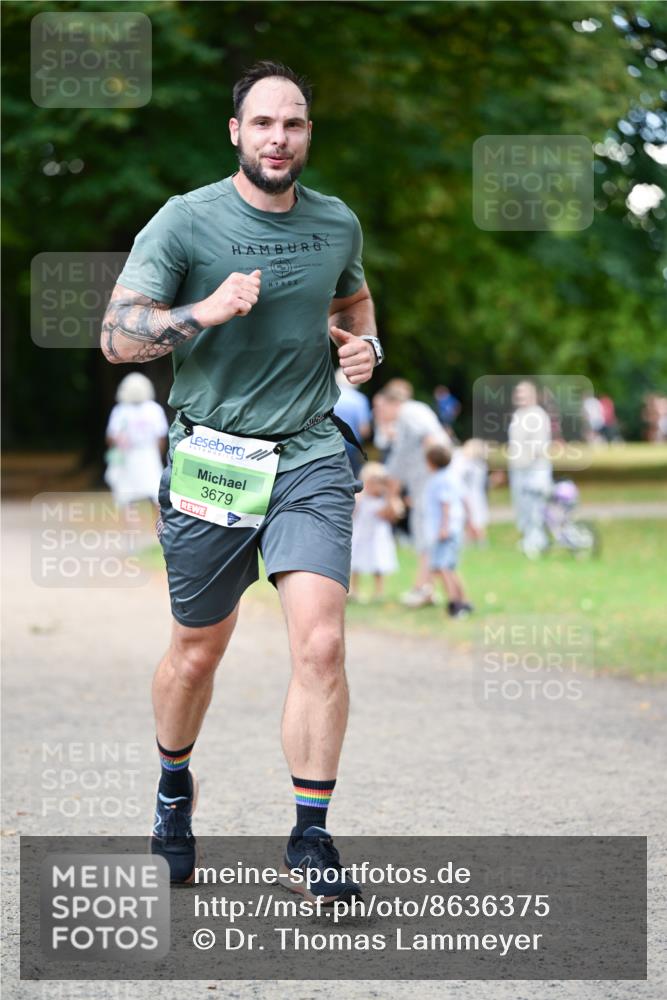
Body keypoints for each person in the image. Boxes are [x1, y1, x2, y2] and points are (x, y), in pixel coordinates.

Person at [100, 61, 384, 898]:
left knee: (322, 642)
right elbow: (117, 338)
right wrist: (204, 312)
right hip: (212, 462)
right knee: (196, 654)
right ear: (236, 132)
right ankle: (172, 791)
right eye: (263, 123)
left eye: (293, 124)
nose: (278, 138)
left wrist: (367, 351)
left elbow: (354, 307)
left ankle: (309, 838)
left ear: (307, 133)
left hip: (305, 456)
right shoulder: (185, 222)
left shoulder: (336, 224)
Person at [381, 380, 451, 607]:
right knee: (425, 535)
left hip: (428, 485)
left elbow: (429, 440)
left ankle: (423, 588)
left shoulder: (408, 414)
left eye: (381, 407)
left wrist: (433, 477)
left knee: (426, 535)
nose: (380, 413)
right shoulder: (414, 412)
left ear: (392, 403)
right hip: (425, 484)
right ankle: (426, 587)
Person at [104, 372, 168, 513]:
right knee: (155, 493)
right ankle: (159, 529)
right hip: (149, 455)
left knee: (127, 497)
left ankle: (130, 531)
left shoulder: (120, 410)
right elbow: (162, 437)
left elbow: (111, 437)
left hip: (128, 456)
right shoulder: (154, 409)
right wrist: (158, 455)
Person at [423, 444, 472, 618]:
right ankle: (465, 600)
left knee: (443, 568)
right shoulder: (452, 477)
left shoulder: (439, 480)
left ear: (431, 462)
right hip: (455, 528)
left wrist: (443, 527)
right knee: (450, 567)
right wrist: (470, 522)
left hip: (445, 531)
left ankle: (455, 604)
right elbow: (465, 499)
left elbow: (446, 505)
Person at [507, 381, 553, 558]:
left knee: (535, 507)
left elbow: (538, 447)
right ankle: (528, 538)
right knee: (522, 507)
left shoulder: (538, 415)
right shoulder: (518, 415)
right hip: (518, 470)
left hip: (534, 470)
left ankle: (536, 542)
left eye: (524, 394)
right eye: (518, 394)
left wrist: (526, 461)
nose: (521, 397)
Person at [350, 462, 401, 601]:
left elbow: (395, 513)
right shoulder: (361, 497)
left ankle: (379, 591)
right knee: (355, 563)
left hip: (378, 538)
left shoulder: (386, 499)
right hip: (361, 535)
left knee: (378, 563)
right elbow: (352, 512)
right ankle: (354, 590)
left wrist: (391, 496)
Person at [333, 368, 372, 477]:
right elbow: (364, 429)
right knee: (350, 475)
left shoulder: (329, 396)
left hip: (328, 442)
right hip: (350, 444)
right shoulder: (360, 400)